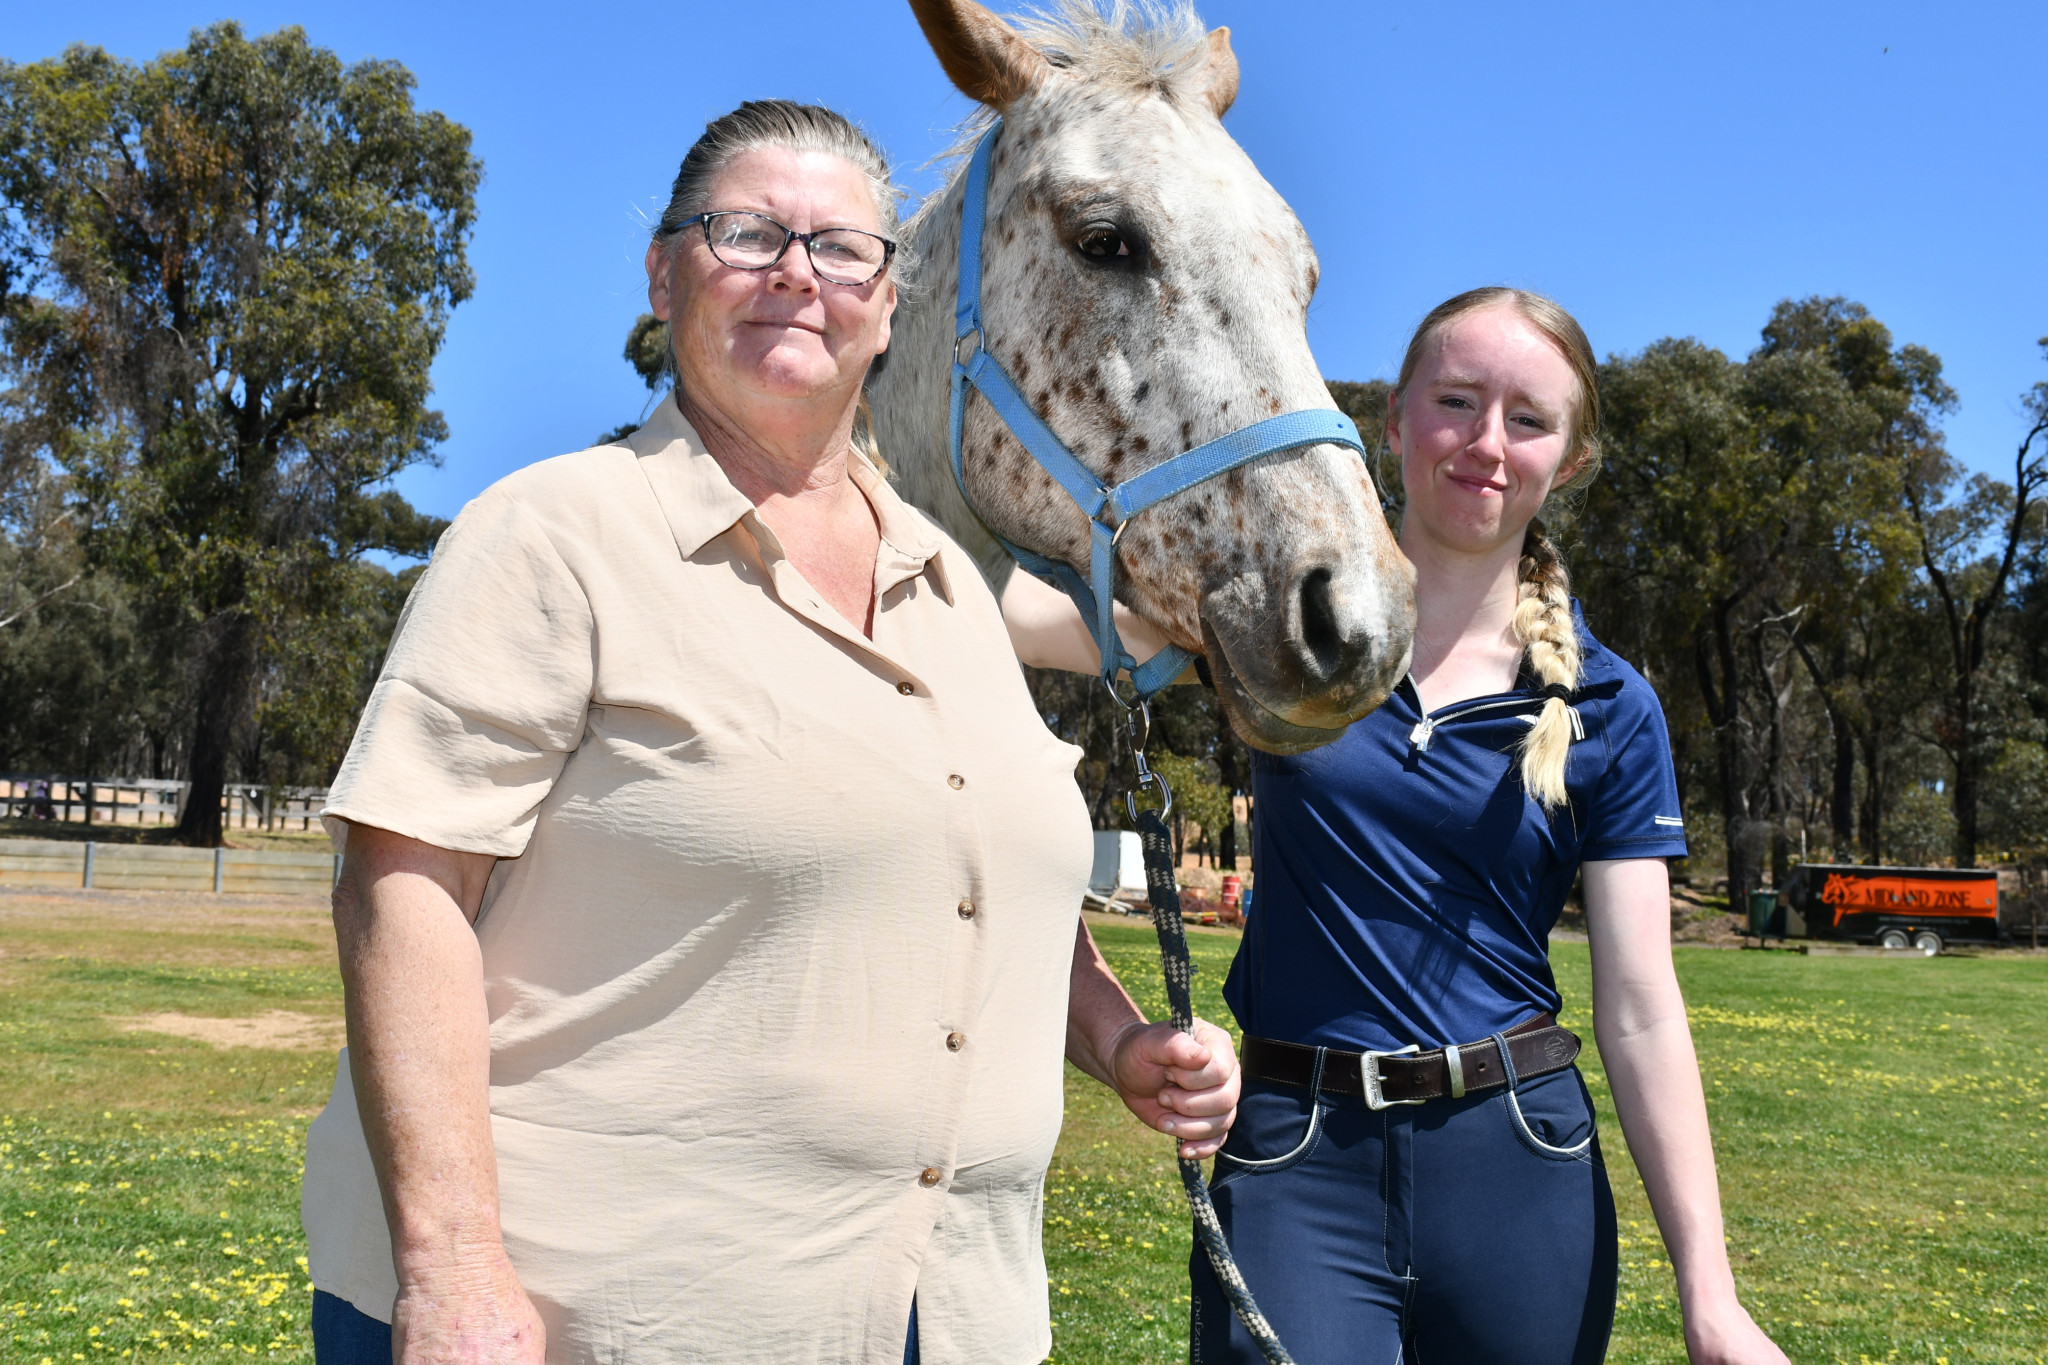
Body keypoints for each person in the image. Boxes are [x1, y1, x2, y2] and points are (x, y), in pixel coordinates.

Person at [301, 99, 1238, 1365]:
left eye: (842, 247)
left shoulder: (952, 586)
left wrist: (1116, 1039)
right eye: (745, 233)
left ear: (891, 303)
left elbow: (976, 874)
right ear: (661, 273)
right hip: (599, 1317)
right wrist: (455, 1270)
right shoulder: (555, 535)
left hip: (943, 1313)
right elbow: (399, 883)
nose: (797, 272)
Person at [1190, 288, 1789, 1365]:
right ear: (1389, 420)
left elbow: (1643, 1006)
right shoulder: (1280, 631)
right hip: (1293, 1158)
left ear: (1569, 459)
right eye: (1454, 402)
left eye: (1527, 419)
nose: (1483, 444)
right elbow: (1040, 616)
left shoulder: (1610, 705)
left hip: (1516, 1164)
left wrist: (1710, 1294)